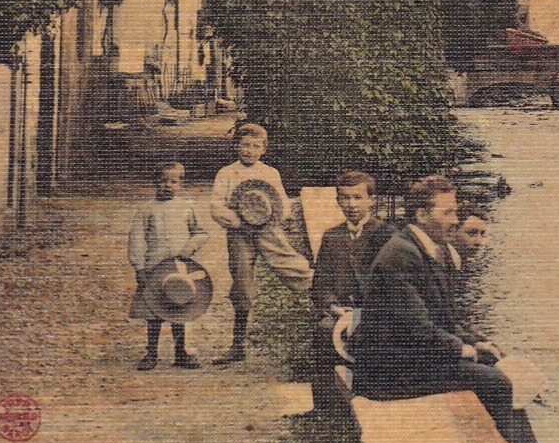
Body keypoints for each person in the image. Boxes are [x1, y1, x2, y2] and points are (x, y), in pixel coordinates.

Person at [354, 176, 542, 443]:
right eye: (448, 213)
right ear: (421, 215)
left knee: (497, 366)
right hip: (388, 370)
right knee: (494, 381)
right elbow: (418, 329)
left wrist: (475, 342)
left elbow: (443, 317)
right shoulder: (400, 256)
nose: (455, 221)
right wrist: (464, 350)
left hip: (410, 357)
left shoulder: (427, 248)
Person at [209, 122, 312, 365]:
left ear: (264, 149)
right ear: (237, 146)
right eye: (245, 145)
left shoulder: (270, 173)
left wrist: (278, 217)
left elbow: (283, 202)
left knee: (292, 265)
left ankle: (326, 302)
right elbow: (216, 206)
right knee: (242, 283)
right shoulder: (226, 173)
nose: (249, 151)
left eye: (256, 146)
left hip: (267, 230)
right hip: (239, 234)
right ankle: (238, 344)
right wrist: (238, 221)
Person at [309, 171, 398, 395]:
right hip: (339, 311)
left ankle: (371, 395)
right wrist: (333, 306)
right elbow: (320, 283)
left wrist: (366, 311)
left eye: (357, 198)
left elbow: (396, 286)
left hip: (375, 311)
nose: (351, 204)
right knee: (324, 329)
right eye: (345, 198)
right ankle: (325, 402)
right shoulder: (332, 236)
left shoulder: (387, 235)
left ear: (372, 200)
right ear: (338, 201)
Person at [127, 161, 209, 370]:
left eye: (173, 181)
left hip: (179, 267)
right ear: (155, 182)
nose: (168, 185)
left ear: (181, 184)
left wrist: (188, 250)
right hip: (155, 267)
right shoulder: (147, 209)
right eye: (163, 181)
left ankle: (180, 352)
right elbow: (136, 238)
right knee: (153, 311)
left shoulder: (187, 206)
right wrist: (139, 267)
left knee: (179, 308)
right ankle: (151, 353)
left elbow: (201, 232)